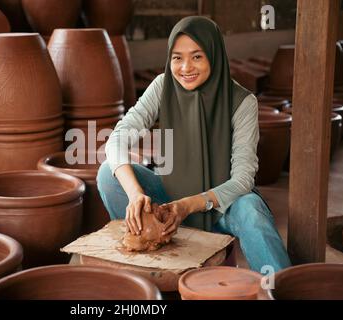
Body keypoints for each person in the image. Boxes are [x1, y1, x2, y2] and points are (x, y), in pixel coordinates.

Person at [96, 16, 291, 273]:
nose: (186, 67)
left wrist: (187, 206)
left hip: (223, 206)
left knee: (252, 210)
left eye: (197, 56)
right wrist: (135, 194)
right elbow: (117, 140)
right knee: (108, 174)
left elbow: (243, 180)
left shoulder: (242, 102)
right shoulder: (162, 86)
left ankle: (282, 286)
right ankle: (146, 244)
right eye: (177, 57)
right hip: (169, 196)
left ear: (214, 54)